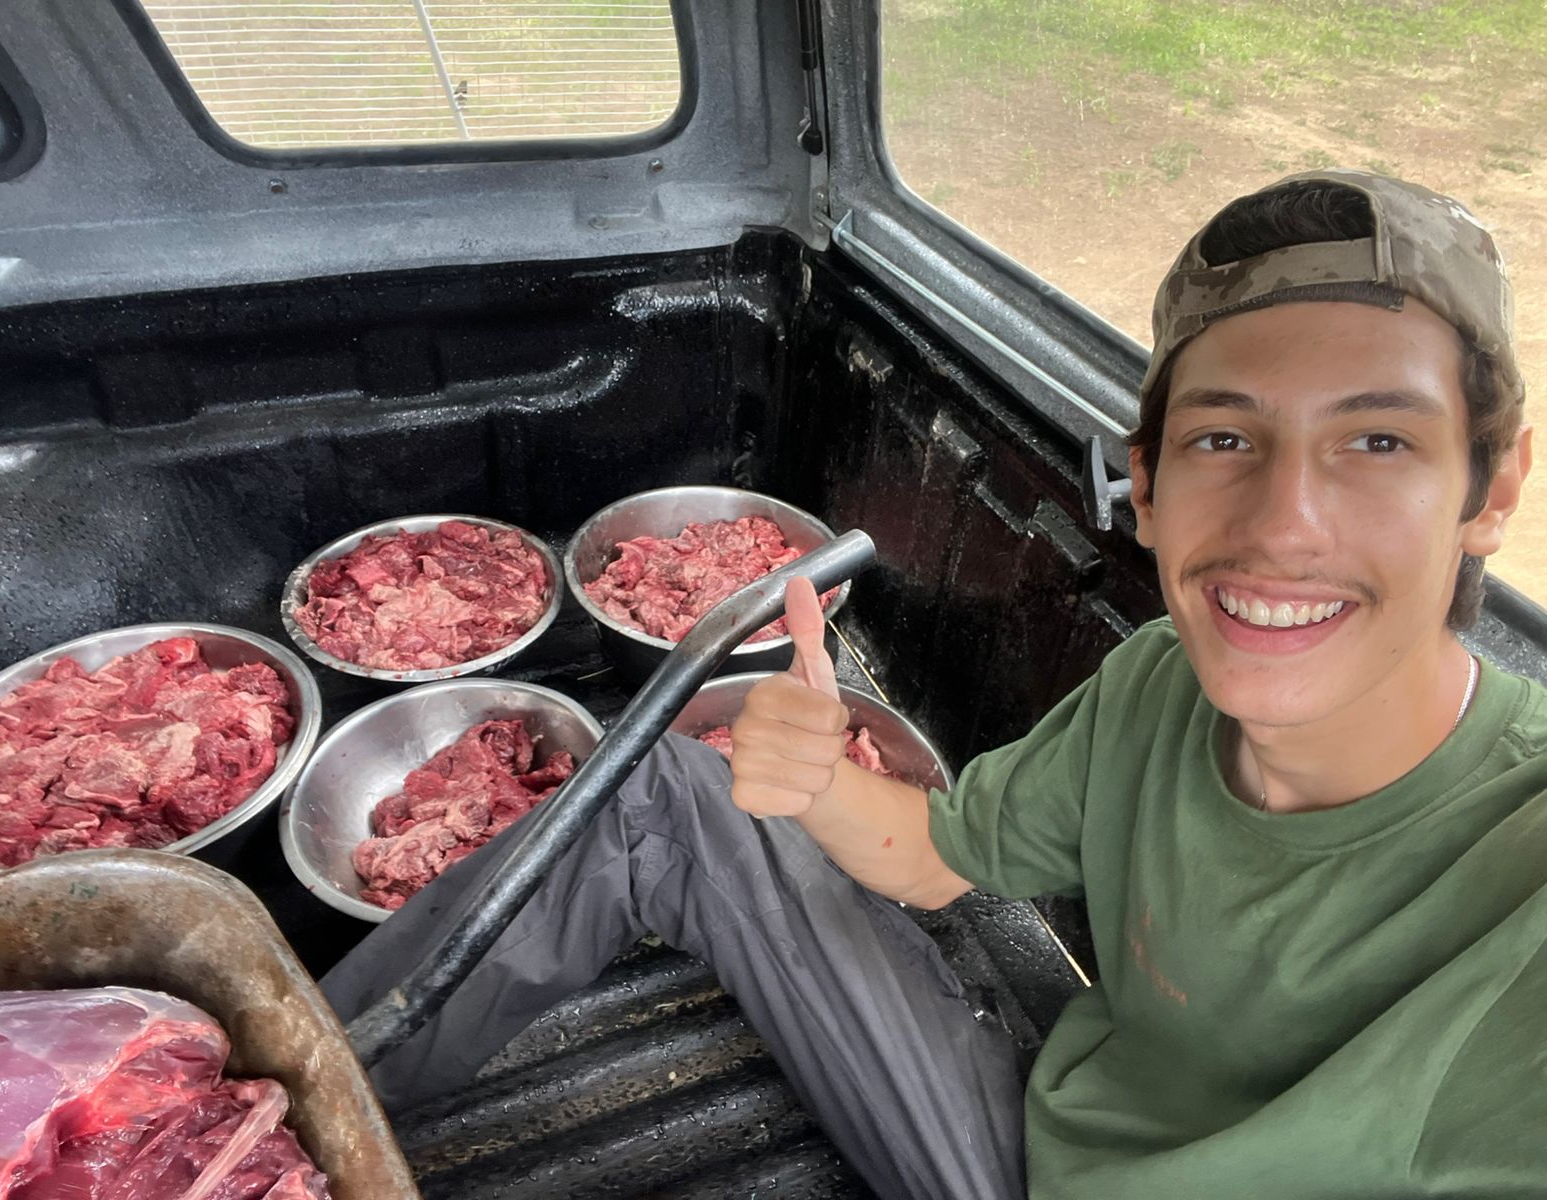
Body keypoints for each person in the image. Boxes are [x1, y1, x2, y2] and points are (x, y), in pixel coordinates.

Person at [323, 169, 1545, 1200]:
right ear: (1152, 487)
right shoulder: (1158, 682)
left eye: (1378, 440)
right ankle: (236, 1116)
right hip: (1020, 1156)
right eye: (1224, 438)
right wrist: (808, 780)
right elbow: (937, 858)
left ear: (1490, 492)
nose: (1285, 524)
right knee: (662, 789)